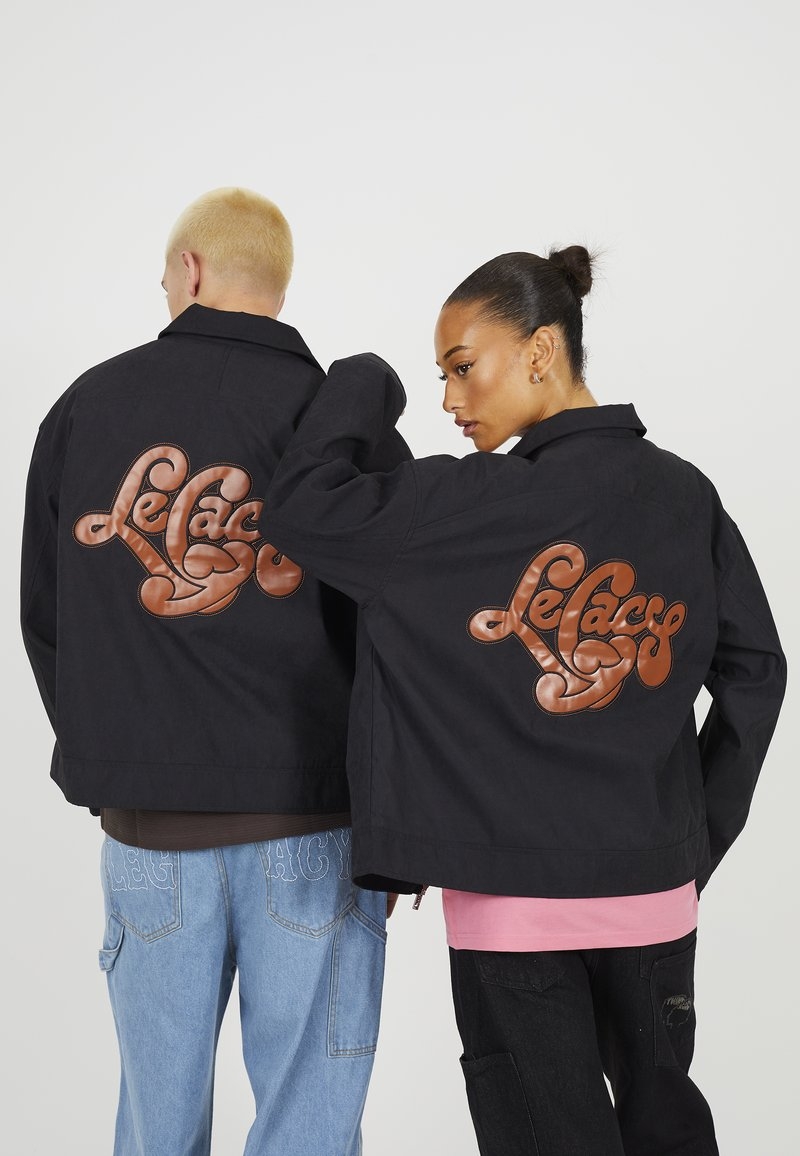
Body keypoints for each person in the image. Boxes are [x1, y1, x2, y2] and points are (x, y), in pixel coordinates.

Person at [258, 246, 786, 1155]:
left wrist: (365, 381)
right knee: (668, 1136)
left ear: (541, 350)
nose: (448, 399)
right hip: (655, 898)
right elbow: (756, 670)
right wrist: (698, 834)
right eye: (436, 376)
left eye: (462, 367)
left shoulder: (453, 504)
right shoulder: (684, 493)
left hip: (513, 915)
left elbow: (301, 507)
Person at [20, 187, 407, 1156]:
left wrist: (114, 762)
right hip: (315, 832)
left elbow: (46, 613)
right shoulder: (340, 422)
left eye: (164, 276)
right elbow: (406, 626)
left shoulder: (87, 405)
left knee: (156, 1134)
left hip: (149, 837)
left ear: (190, 270)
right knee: (310, 1130)